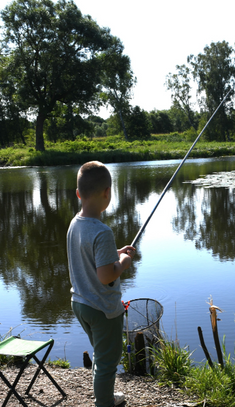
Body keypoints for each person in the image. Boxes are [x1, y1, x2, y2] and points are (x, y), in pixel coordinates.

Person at [67, 161, 135, 407]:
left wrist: (115, 252)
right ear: (107, 192)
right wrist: (124, 262)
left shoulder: (75, 224)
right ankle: (104, 403)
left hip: (81, 304)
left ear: (78, 194)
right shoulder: (102, 231)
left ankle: (103, 397)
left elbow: (89, 255)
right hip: (102, 309)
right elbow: (106, 276)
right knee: (108, 361)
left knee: (100, 353)